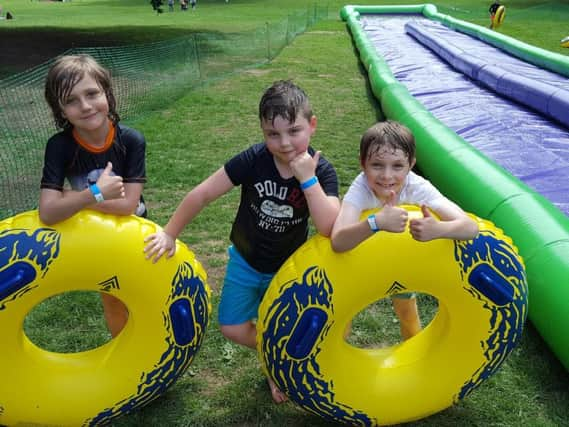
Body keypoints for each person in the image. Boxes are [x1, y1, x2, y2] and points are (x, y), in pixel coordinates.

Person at [144, 80, 340, 403]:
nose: (284, 143)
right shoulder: (255, 159)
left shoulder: (323, 171)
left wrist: (307, 178)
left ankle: (276, 369)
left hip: (288, 269)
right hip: (245, 261)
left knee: (279, 320)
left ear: (312, 125)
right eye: (272, 134)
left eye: (294, 131)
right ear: (263, 132)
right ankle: (275, 353)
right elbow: (204, 192)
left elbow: (329, 225)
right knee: (232, 327)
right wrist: (169, 232)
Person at [330, 120, 479, 341]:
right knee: (343, 313)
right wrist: (375, 222)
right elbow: (338, 241)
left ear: (411, 165)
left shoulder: (417, 187)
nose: (387, 176)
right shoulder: (360, 189)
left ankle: (415, 359)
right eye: (377, 165)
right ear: (362, 164)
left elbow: (470, 227)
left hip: (400, 261)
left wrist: (439, 229)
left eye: (397, 166)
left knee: (407, 313)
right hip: (361, 261)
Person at [41, 54, 147, 338]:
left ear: (107, 95)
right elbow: (48, 213)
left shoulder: (131, 141)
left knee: (145, 294)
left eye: (91, 94)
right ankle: (124, 356)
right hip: (97, 239)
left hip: (135, 234)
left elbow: (128, 205)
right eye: (71, 100)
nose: (85, 106)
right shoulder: (59, 146)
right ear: (60, 110)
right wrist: (96, 192)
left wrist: (73, 197)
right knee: (113, 301)